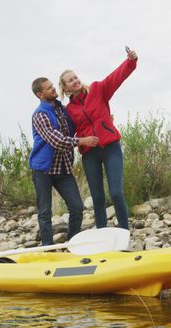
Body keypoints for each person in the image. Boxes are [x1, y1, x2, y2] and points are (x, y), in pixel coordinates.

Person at [58, 47, 138, 230]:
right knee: (98, 198)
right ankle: (103, 235)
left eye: (76, 77)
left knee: (116, 193)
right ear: (65, 87)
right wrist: (83, 140)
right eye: (70, 80)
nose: (75, 81)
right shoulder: (68, 110)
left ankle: (125, 233)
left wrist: (131, 61)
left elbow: (117, 77)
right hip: (90, 154)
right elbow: (66, 134)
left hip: (111, 148)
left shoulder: (98, 89)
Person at [29, 77, 99, 246]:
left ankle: (71, 244)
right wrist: (82, 141)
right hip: (43, 170)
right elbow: (57, 141)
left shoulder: (63, 110)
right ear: (40, 94)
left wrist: (99, 119)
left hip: (63, 168)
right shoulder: (40, 115)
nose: (53, 89)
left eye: (52, 86)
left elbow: (80, 122)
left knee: (77, 208)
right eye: (48, 88)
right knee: (45, 212)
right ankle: (47, 249)